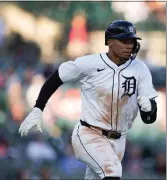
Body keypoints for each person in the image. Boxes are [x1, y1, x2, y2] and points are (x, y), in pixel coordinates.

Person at [19, 20, 157, 180]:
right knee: (112, 171)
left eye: (132, 41)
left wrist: (150, 108)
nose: (130, 45)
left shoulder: (140, 69)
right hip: (90, 134)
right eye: (124, 40)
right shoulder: (91, 63)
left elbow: (149, 119)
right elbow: (57, 77)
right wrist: (38, 108)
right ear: (110, 43)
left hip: (119, 140)